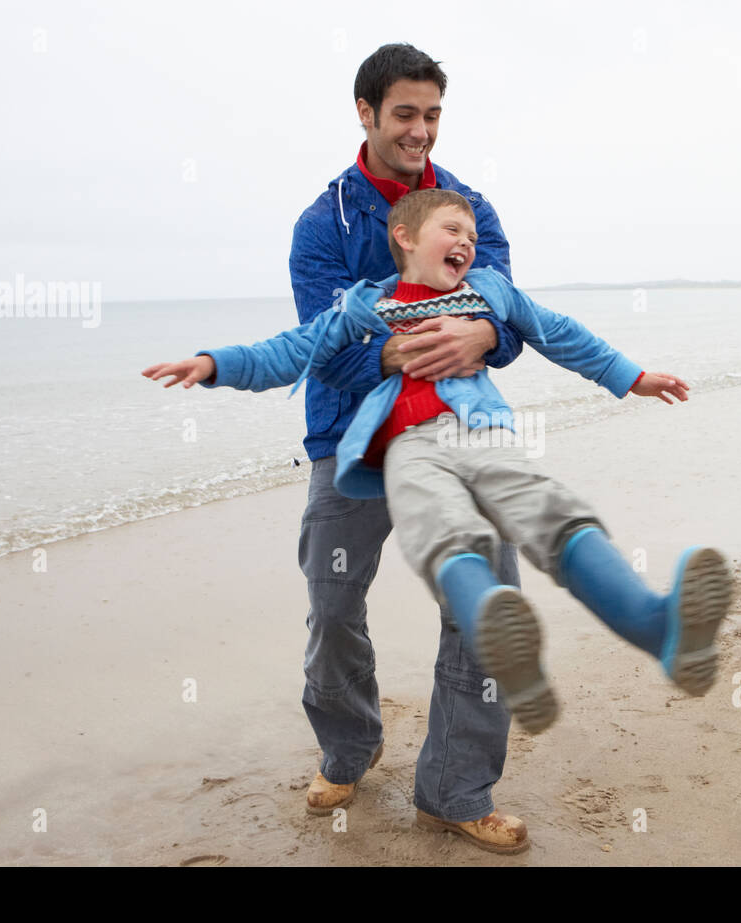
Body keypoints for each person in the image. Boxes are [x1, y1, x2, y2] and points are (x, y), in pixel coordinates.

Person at [144, 189, 734, 851]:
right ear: (402, 236)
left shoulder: (489, 290)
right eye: (452, 230)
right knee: (439, 544)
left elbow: (559, 332)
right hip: (408, 448)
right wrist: (214, 364)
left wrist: (633, 376)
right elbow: (293, 349)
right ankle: (457, 686)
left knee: (556, 514)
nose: (468, 241)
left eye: (473, 235)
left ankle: (659, 630)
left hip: (483, 434)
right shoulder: (364, 304)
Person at [288, 43, 528, 850]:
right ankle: (348, 745)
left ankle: (456, 789)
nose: (420, 130)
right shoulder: (323, 226)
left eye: (431, 114)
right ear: (365, 112)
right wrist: (399, 349)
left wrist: (487, 330)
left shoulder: (471, 211)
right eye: (404, 114)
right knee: (333, 605)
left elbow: (507, 319)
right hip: (348, 443)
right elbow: (324, 344)